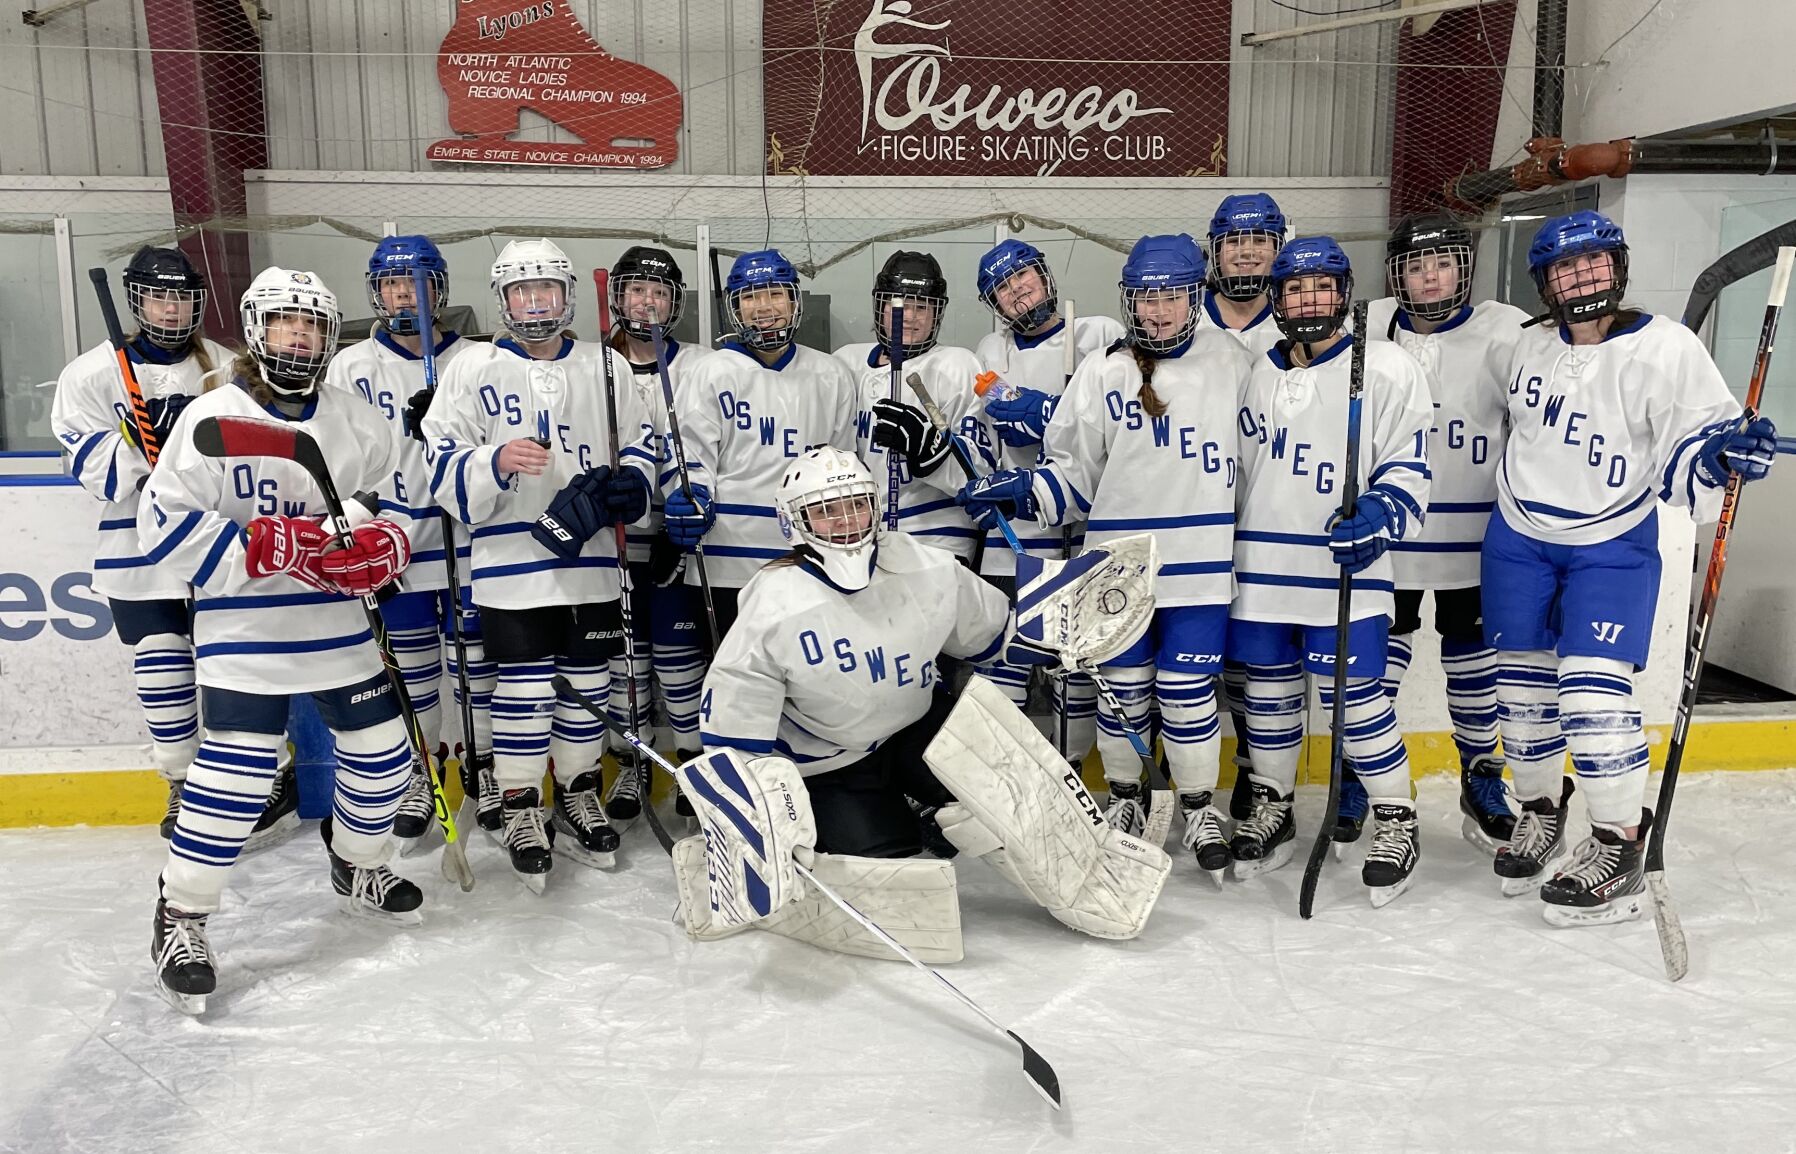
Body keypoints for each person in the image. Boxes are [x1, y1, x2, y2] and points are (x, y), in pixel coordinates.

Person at [681, 447, 1170, 952]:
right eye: (826, 510)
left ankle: (1077, 875)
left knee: (1014, 789)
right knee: (894, 878)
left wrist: (1064, 626)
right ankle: (893, 823)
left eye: (856, 505)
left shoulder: (924, 567)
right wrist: (758, 827)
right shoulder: (773, 604)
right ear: (794, 523)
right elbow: (734, 734)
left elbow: (998, 632)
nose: (847, 522)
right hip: (829, 763)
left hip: (916, 728)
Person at [140, 267, 423, 1013]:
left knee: (385, 760)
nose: (298, 335)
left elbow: (394, 497)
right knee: (235, 777)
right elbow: (161, 523)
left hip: (336, 624)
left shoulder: (356, 418)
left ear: (330, 337)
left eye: (313, 325)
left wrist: (388, 541)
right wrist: (262, 551)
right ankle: (183, 916)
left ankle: (357, 863)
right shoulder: (214, 417)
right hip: (246, 626)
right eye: (283, 322)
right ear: (256, 329)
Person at [1486, 210, 1778, 926]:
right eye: (1564, 267)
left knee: (1591, 696)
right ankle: (1541, 810)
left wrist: (1722, 454)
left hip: (1612, 542)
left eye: (1593, 264)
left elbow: (1698, 442)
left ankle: (1619, 841)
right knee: (1522, 694)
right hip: (1518, 535)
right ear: (1544, 282)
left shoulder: (1666, 348)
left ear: (1616, 269)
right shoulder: (1524, 349)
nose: (1581, 278)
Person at [956, 234, 1253, 880]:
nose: (1159, 312)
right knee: (1122, 690)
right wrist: (1020, 491)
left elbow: (1256, 467)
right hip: (1116, 564)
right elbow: (1072, 479)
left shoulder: (1233, 362)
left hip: (1199, 565)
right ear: (1130, 301)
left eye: (1172, 296)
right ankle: (1123, 800)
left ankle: (1199, 806)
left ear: (1194, 296)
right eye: (1146, 299)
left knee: (1185, 693)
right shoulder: (1105, 370)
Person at [421, 238, 657, 890]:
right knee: (523, 689)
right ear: (502, 299)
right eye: (522, 292)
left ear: (568, 296)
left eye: (546, 290)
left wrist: (632, 487)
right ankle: (525, 808)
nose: (534, 303)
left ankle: (578, 793)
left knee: (586, 685)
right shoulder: (469, 369)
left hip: (590, 564)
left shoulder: (606, 369)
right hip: (509, 562)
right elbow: (437, 461)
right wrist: (491, 464)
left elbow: (639, 443)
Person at [50, 247, 300, 850]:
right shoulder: (90, 373)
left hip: (219, 535)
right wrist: (135, 449)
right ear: (137, 300)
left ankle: (275, 773)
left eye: (183, 296)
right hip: (136, 544)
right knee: (161, 662)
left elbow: (265, 441)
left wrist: (190, 444)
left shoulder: (224, 364)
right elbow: (85, 462)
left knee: (242, 663)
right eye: (160, 296)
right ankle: (183, 780)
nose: (172, 307)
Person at [1230, 237, 1434, 906]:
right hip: (1261, 566)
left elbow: (1409, 460)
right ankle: (1276, 804)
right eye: (1295, 290)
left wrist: (1383, 508)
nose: (1308, 300)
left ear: (1344, 296)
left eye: (1322, 288)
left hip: (1345, 565)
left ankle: (1397, 820)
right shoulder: (1255, 371)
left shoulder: (1387, 367)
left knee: (1358, 700)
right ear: (1279, 299)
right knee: (1267, 697)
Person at [1352, 213, 1530, 854]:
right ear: (1396, 272)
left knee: (1473, 665)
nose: (1430, 277)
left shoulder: (1504, 331)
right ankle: (1362, 774)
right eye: (1416, 265)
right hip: (1388, 532)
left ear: (1464, 268)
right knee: (1380, 662)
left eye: (1443, 263)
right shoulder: (1368, 323)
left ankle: (1481, 775)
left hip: (1475, 533)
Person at [325, 235, 495, 846]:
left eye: (417, 283)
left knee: (474, 668)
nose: (405, 295)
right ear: (377, 291)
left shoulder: (476, 359)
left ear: (439, 291)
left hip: (467, 539)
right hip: (393, 543)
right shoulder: (349, 365)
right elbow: (341, 456)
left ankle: (484, 766)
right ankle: (424, 771)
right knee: (414, 674)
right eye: (394, 284)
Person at [968, 238, 1124, 772]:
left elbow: (1111, 424)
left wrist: (1053, 412)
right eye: (1003, 290)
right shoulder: (992, 351)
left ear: (1045, 276)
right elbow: (996, 422)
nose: (1016, 292)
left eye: (1023, 278)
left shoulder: (1100, 334)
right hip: (1015, 532)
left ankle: (1071, 769)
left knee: (1075, 662)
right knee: (1006, 657)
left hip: (1076, 527)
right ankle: (1012, 778)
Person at [660, 249, 860, 640]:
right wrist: (689, 497)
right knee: (734, 684)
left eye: (775, 294)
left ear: (794, 301)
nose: (763, 307)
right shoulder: (711, 371)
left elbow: (841, 465)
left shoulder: (831, 374)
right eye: (749, 297)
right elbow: (691, 457)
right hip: (727, 560)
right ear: (735, 307)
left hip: (809, 557)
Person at [599, 245, 710, 821]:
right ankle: (631, 761)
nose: (648, 301)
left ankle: (690, 760)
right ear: (618, 297)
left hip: (680, 535)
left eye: (660, 292)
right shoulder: (594, 363)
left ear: (675, 303)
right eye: (637, 290)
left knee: (676, 653)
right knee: (626, 658)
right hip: (612, 538)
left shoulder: (699, 365)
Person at [1196, 194, 1289, 821]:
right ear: (1215, 250)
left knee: (1261, 652)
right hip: (1192, 512)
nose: (1247, 250)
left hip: (1269, 513)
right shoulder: (1177, 313)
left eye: (1260, 239)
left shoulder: (1300, 322)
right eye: (1235, 239)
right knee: (1204, 653)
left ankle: (1258, 772)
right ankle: (1203, 774)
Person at [839, 249, 990, 563]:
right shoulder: (844, 364)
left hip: (938, 536)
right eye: (898, 304)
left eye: (921, 307)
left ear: (937, 314)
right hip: (858, 537)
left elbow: (983, 468)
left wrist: (930, 450)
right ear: (880, 307)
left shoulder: (958, 366)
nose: (909, 316)